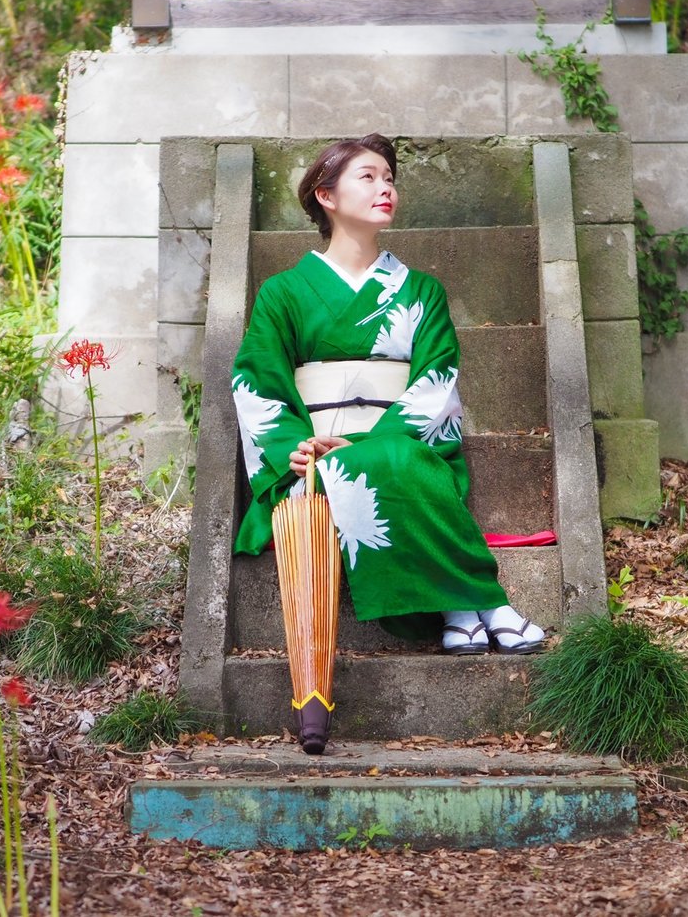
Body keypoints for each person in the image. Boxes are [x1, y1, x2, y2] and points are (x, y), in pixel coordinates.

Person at [230, 133, 548, 691]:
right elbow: (257, 382)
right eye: (369, 177)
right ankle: (477, 602)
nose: (386, 188)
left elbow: (437, 380)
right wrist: (294, 450)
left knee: (397, 456)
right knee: (389, 462)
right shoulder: (282, 293)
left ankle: (462, 607)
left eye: (390, 179)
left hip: (403, 442)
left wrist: (369, 444)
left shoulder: (422, 290)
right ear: (326, 196)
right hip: (316, 457)